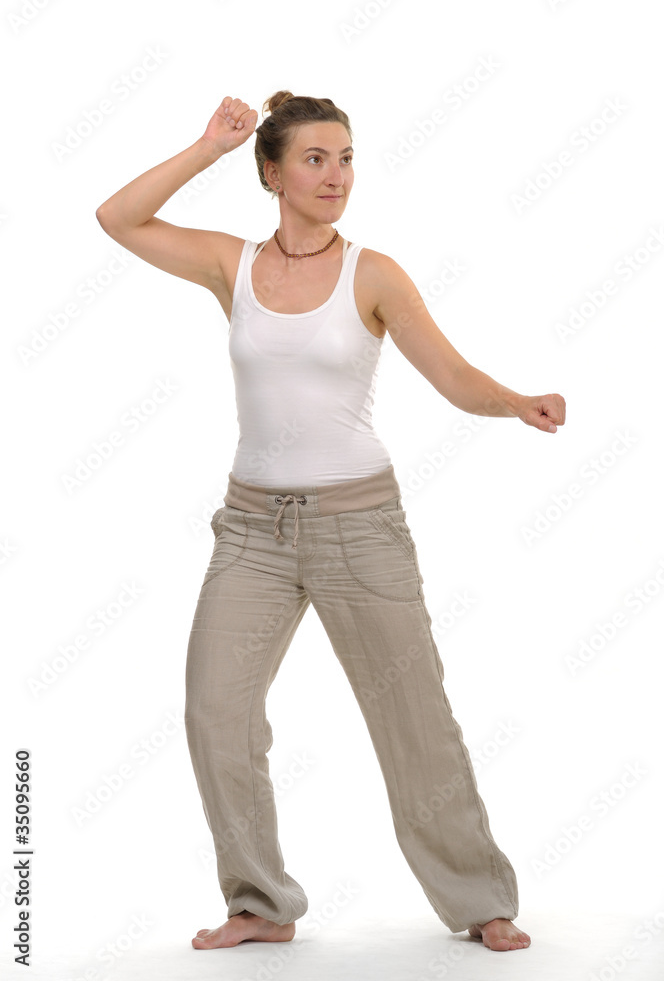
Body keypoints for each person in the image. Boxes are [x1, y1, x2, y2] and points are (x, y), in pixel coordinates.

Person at [96, 91, 565, 954]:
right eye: (315, 159)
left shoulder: (373, 274)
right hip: (252, 532)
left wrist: (516, 401)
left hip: (360, 528)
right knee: (215, 710)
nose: (337, 175)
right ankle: (261, 902)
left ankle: (480, 899)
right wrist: (208, 146)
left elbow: (453, 377)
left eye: (346, 157)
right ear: (272, 173)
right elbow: (118, 218)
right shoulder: (231, 265)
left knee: (415, 718)